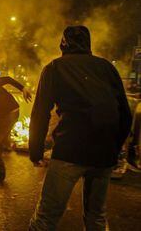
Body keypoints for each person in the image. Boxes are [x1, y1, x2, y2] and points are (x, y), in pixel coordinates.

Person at [28, 26, 132, 230]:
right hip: (104, 153)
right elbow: (124, 113)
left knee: (46, 218)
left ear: (63, 43)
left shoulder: (54, 68)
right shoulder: (106, 67)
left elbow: (40, 113)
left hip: (70, 150)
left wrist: (36, 152)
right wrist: (115, 146)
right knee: (97, 216)